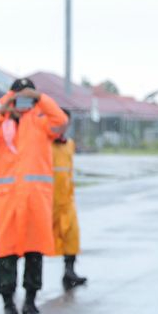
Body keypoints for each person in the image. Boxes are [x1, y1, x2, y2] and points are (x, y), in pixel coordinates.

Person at [0, 79, 69, 314]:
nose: (23, 102)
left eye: (28, 97)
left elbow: (61, 122)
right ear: (10, 96)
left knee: (34, 252)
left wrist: (41, 99)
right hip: (7, 200)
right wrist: (2, 111)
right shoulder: (0, 122)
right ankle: (8, 304)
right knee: (6, 253)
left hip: (36, 199)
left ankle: (30, 301)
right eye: (19, 96)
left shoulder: (41, 121)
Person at [52, 114, 87, 289]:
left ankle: (69, 271)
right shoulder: (44, 145)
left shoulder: (69, 144)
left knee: (72, 236)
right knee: (34, 242)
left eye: (65, 123)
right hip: (47, 200)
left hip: (66, 199)